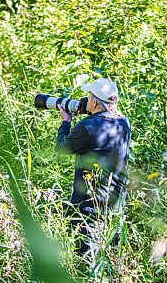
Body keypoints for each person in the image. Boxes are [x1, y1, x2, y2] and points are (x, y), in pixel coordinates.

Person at [55, 78, 131, 262]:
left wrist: (66, 122)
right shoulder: (124, 123)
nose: (86, 99)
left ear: (95, 102)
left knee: (87, 263)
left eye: (89, 97)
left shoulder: (88, 126)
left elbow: (62, 148)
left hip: (90, 208)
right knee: (110, 262)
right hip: (115, 206)